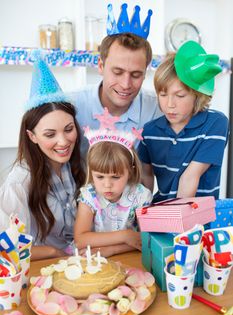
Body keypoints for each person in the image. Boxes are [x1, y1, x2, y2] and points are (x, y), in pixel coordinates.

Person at [0, 57, 85, 260]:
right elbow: (6, 247)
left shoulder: (75, 165)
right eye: (50, 135)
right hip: (43, 269)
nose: (63, 141)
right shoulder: (19, 183)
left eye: (68, 129)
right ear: (32, 136)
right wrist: (55, 253)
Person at [138, 40, 229, 202]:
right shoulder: (149, 132)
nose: (170, 104)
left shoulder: (216, 123)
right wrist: (140, 215)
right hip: (161, 214)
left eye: (179, 96)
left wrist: (177, 225)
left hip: (199, 217)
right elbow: (145, 178)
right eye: (163, 95)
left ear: (197, 95)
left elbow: (189, 177)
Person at [71, 3, 162, 156]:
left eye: (135, 75)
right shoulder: (72, 106)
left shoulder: (158, 108)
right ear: (101, 66)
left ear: (145, 72)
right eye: (118, 72)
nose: (126, 84)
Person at [74, 108, 152, 257]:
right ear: (92, 173)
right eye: (100, 177)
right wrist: (125, 236)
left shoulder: (141, 196)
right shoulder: (89, 195)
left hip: (127, 256)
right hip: (96, 260)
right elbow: (80, 240)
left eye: (115, 177)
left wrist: (111, 249)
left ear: (130, 171)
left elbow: (146, 240)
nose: (107, 184)